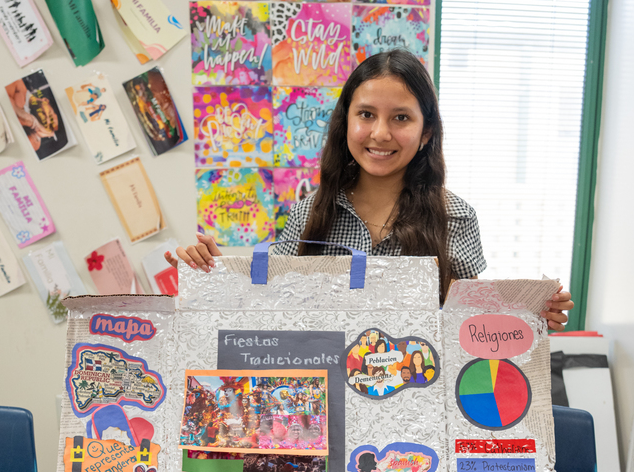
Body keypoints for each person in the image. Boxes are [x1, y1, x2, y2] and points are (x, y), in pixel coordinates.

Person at [166, 49, 573, 325]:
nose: (380, 133)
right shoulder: (309, 214)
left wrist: (532, 316)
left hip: (414, 419)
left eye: (400, 118)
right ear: (347, 122)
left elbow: (468, 324)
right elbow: (271, 308)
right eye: (366, 114)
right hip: (321, 413)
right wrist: (215, 274)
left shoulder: (457, 218)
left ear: (427, 131)